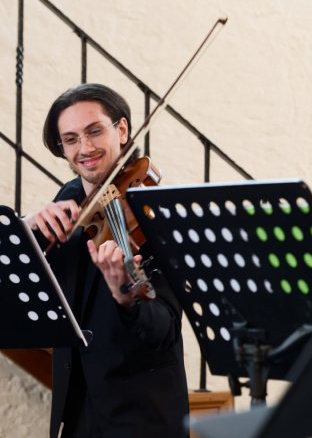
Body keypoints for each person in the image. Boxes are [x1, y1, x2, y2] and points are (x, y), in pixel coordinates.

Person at [25, 84, 188, 438]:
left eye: (94, 131)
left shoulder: (158, 213)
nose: (84, 149)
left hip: (142, 414)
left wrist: (128, 297)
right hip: (78, 404)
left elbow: (165, 328)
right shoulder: (67, 199)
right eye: (70, 139)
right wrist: (30, 226)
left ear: (123, 130)